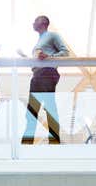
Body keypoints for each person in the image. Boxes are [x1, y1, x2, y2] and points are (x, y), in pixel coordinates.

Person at [19, 15, 69, 144]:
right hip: (37, 75)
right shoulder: (39, 41)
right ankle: (27, 142)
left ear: (43, 22)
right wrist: (24, 56)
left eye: (35, 21)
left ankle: (52, 141)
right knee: (32, 110)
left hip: (47, 74)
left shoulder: (52, 35)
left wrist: (49, 56)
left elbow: (65, 52)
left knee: (48, 107)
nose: (33, 23)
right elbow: (37, 61)